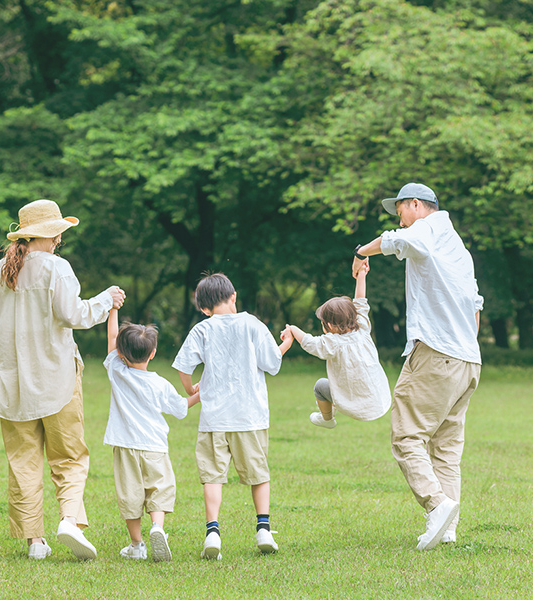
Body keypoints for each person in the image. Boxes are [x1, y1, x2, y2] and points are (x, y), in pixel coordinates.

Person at [0, 199, 126, 561]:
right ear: (54, 233)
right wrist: (106, 299)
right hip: (57, 380)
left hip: (12, 386)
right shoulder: (57, 269)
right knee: (69, 457)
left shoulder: (0, 271)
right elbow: (73, 314)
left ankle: (35, 542)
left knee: (22, 461)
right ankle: (69, 521)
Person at [351, 183, 483, 551]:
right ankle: (449, 527)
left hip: (436, 355)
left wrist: (363, 251)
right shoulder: (459, 248)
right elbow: (475, 307)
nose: (399, 220)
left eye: (400, 212)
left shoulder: (428, 227)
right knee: (446, 447)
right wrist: (464, 346)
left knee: (407, 436)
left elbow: (399, 241)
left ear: (414, 205)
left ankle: (437, 506)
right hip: (468, 361)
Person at [172, 273, 293, 560]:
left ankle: (212, 532)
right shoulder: (252, 324)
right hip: (250, 416)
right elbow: (272, 364)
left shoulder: (202, 330)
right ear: (234, 295)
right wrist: (286, 342)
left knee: (213, 476)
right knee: (258, 474)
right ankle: (263, 528)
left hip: (214, 417)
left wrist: (191, 389)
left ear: (203, 308)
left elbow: (183, 367)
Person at [103, 308, 200, 562]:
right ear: (153, 353)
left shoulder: (117, 371)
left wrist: (113, 309)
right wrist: (199, 394)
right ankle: (158, 527)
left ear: (120, 354)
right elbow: (180, 409)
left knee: (130, 495)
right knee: (159, 489)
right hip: (155, 447)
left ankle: (137, 545)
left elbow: (113, 337)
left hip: (125, 446)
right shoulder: (159, 384)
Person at [281, 261, 391, 429]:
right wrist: (361, 275)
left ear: (330, 326)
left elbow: (310, 343)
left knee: (320, 387)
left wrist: (293, 329)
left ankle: (327, 419)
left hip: (354, 404)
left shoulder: (333, 342)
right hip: (379, 400)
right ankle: (330, 407)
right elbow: (361, 301)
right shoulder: (362, 327)